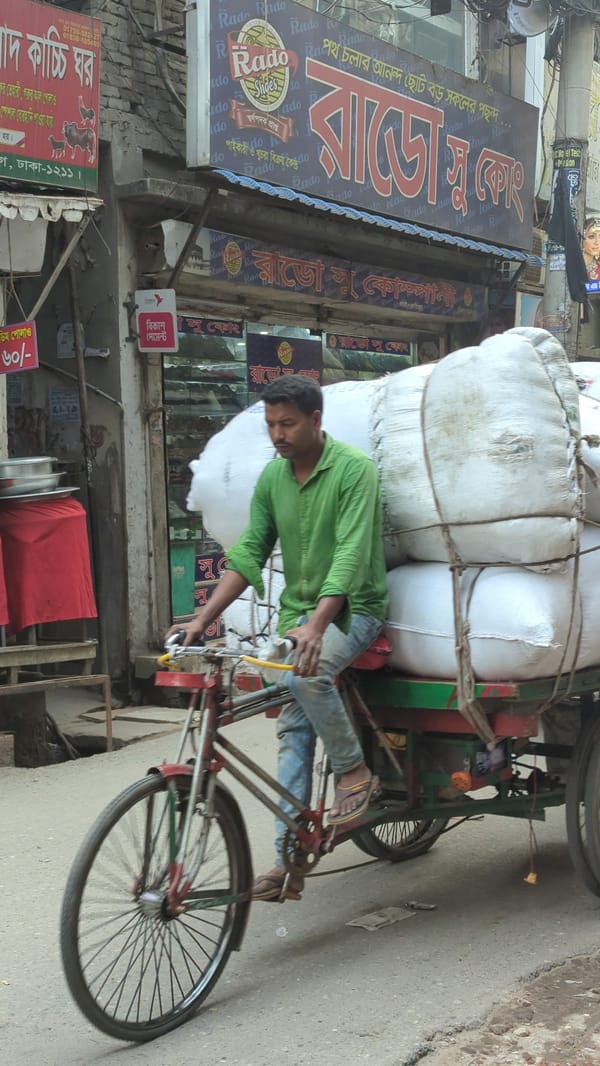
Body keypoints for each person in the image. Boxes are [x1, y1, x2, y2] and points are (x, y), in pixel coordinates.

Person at [165, 374, 388, 902]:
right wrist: (202, 620)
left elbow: (352, 556)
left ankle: (355, 772)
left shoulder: (355, 472)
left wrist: (317, 625)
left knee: (308, 677)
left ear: (315, 420)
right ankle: (289, 857)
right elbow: (247, 555)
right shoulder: (273, 480)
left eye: (287, 423)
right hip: (299, 615)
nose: (277, 434)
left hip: (355, 609)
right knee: (292, 726)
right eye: (270, 424)